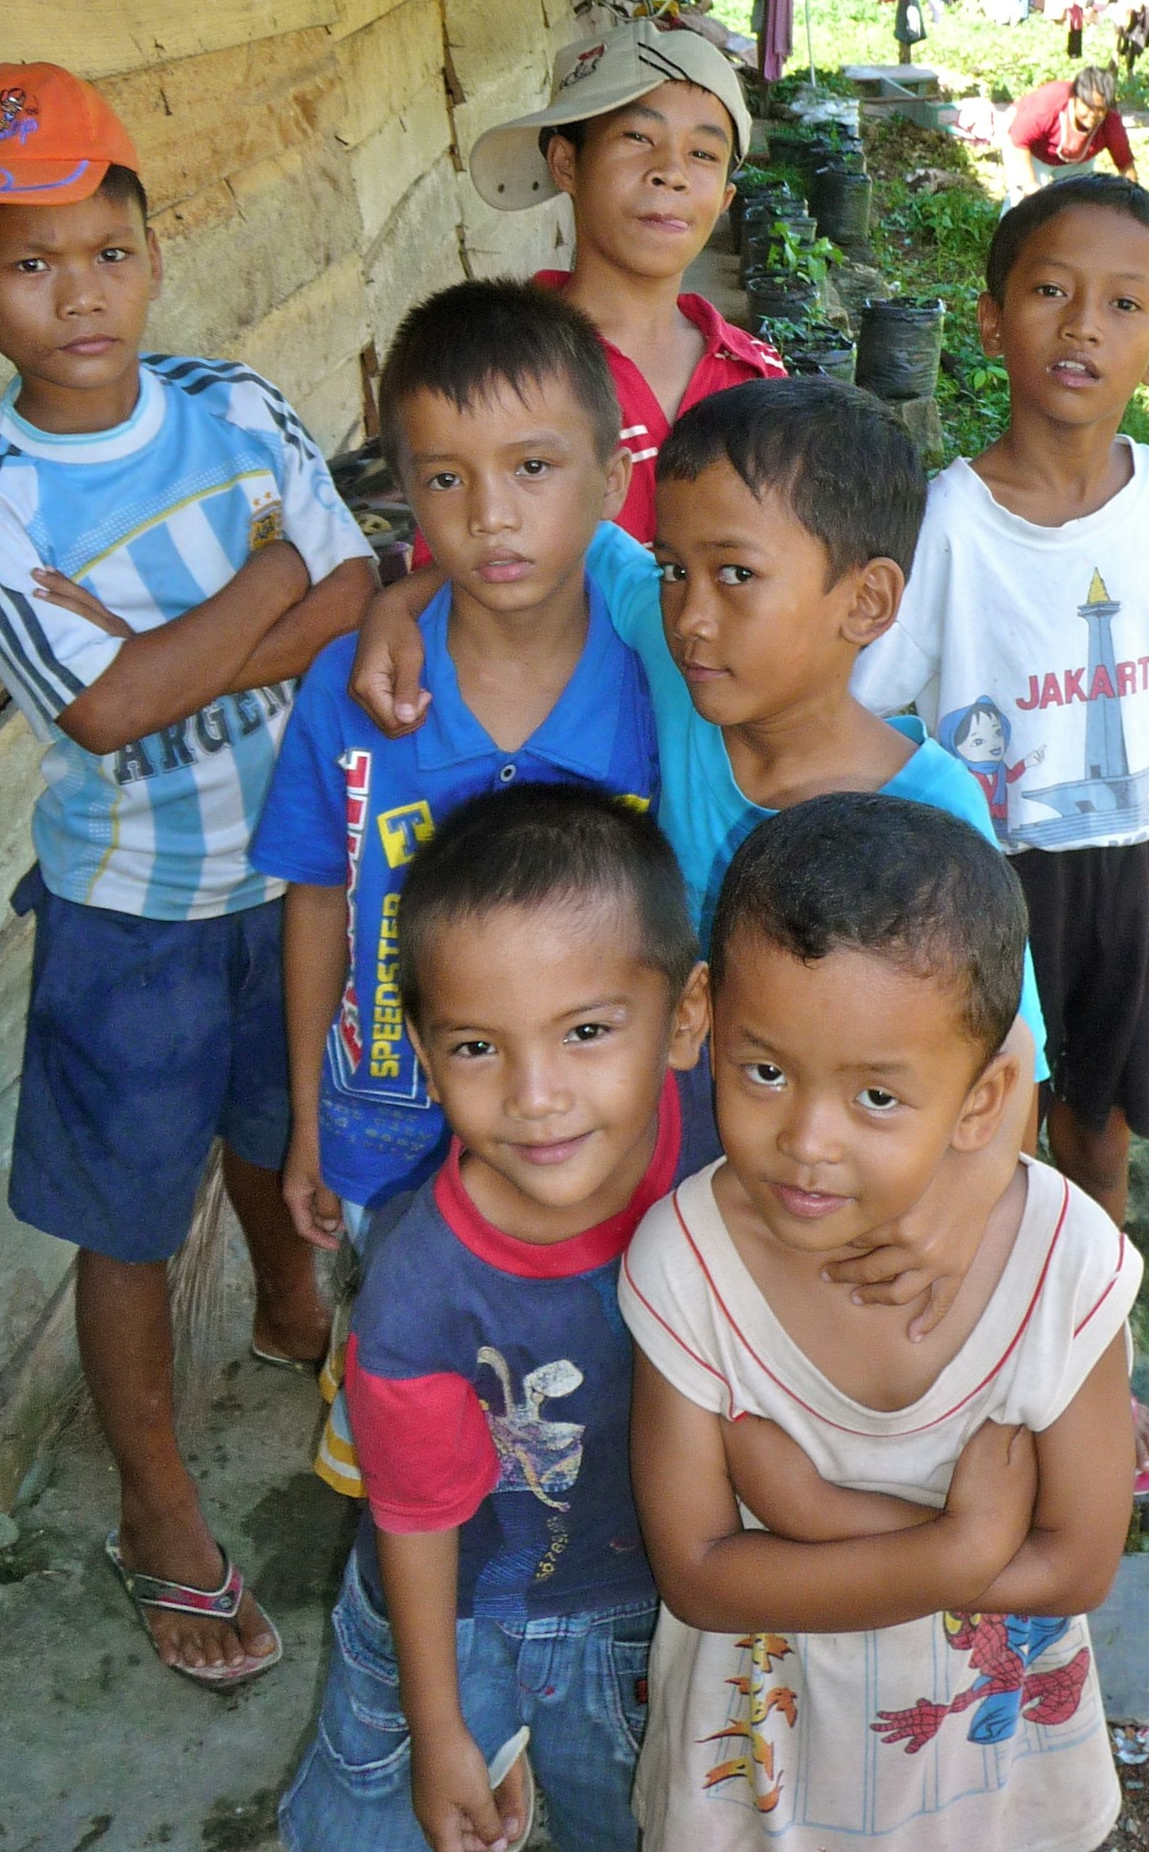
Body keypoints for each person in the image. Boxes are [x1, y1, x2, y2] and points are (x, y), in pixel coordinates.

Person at [0, 62, 377, 1684]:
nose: (78, 294)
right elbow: (110, 711)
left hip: (289, 875)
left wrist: (259, 606)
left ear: (148, 246)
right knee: (127, 1224)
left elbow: (355, 589)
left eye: (105, 250)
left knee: (278, 1131)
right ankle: (160, 1508)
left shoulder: (237, 408)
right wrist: (269, 578)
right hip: (128, 912)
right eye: (29, 264)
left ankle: (288, 1310)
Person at [352, 378, 1053, 1323]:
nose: (688, 613)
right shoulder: (685, 661)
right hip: (672, 1137)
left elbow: (1009, 1045)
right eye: (674, 567)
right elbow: (539, 539)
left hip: (822, 1157)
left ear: (867, 600)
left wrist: (961, 1208)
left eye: (735, 575)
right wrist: (399, 603)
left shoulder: (929, 808)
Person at [853, 173, 1149, 1498]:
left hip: (1139, 878)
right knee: (981, 1130)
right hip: (983, 885)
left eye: (1124, 304)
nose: (1082, 325)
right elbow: (860, 696)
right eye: (1050, 290)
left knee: (1101, 1133)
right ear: (992, 316)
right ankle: (979, 1370)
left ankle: (1098, 1365)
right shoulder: (944, 523)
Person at [620, 793, 1139, 1852]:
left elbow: (1082, 1562)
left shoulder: (1059, 1263)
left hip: (984, 1791)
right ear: (706, 1014)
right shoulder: (687, 1267)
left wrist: (810, 1510)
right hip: (763, 1790)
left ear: (987, 1098)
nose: (806, 1139)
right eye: (764, 1071)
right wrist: (962, 1551)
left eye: (876, 1099)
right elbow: (699, 1574)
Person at [251, 280, 658, 1496]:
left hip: (598, 1134)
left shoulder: (658, 684)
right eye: (444, 479)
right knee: (418, 1397)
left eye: (535, 467)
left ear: (610, 475)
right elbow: (317, 893)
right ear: (405, 486)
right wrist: (310, 1122)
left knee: (588, 1399)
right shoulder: (357, 692)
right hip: (389, 1120)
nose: (491, 517)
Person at [278, 786, 713, 1852]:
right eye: (478, 1047)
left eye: (586, 1031)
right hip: (447, 1624)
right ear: (425, 1055)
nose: (535, 1093)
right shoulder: (423, 1287)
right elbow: (418, 1517)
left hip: (650, 1614)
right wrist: (437, 1729)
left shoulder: (724, 1155)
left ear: (687, 1018)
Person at [461, 21, 783, 542]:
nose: (671, 172)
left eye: (702, 154)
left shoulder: (758, 377)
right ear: (567, 164)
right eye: (638, 137)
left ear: (724, 201)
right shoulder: (504, 370)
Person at [1001, 64, 1136, 200]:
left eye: (1100, 109)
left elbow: (1125, 165)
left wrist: (1134, 203)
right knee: (1020, 205)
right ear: (1073, 96)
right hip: (1028, 150)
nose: (1093, 114)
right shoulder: (1047, 103)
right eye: (1088, 106)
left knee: (1076, 205)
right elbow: (1019, 141)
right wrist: (1030, 186)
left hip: (1076, 161)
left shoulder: (1111, 122)